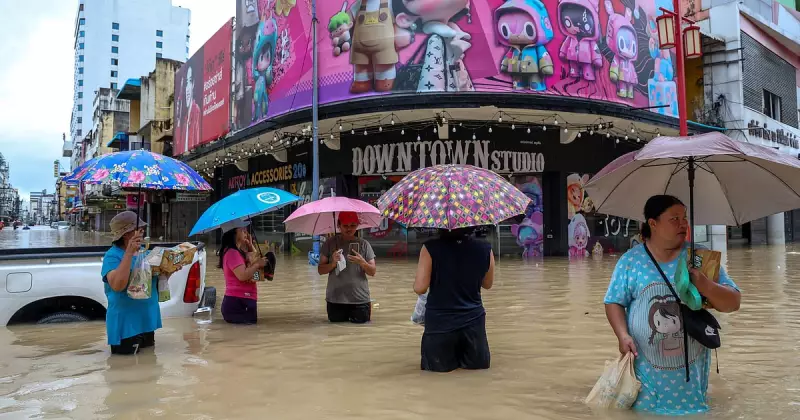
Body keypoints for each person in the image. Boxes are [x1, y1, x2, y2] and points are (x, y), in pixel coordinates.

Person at [604, 195, 741, 415]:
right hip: (645, 374)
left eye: (684, 218)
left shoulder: (700, 258)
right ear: (653, 223)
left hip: (692, 376)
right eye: (674, 218)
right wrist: (622, 335)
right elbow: (613, 302)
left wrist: (706, 285)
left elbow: (733, 303)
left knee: (693, 412)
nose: (683, 224)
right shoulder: (631, 261)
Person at [413, 227, 495, 372]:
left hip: (440, 325)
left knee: (436, 379)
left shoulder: (430, 248)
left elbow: (420, 288)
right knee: (475, 378)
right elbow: (487, 284)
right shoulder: (485, 248)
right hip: (473, 324)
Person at [101, 211, 160, 355]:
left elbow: (152, 285)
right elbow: (117, 285)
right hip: (126, 323)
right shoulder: (112, 256)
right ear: (127, 234)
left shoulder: (145, 253)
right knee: (125, 370)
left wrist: (168, 271)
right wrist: (129, 253)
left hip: (147, 319)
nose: (142, 232)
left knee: (149, 367)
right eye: (138, 229)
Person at [318, 212, 377, 323]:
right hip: (335, 299)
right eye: (345, 226)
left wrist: (362, 262)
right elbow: (320, 270)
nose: (349, 229)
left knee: (360, 334)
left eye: (352, 226)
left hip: (360, 299)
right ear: (339, 226)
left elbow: (373, 271)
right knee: (336, 334)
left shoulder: (364, 244)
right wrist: (333, 264)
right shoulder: (330, 243)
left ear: (357, 226)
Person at [219, 220, 273, 325]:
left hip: (243, 300)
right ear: (234, 233)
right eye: (242, 230)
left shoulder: (238, 251)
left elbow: (253, 260)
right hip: (238, 302)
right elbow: (243, 275)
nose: (245, 232)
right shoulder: (232, 253)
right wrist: (257, 264)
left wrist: (250, 245)